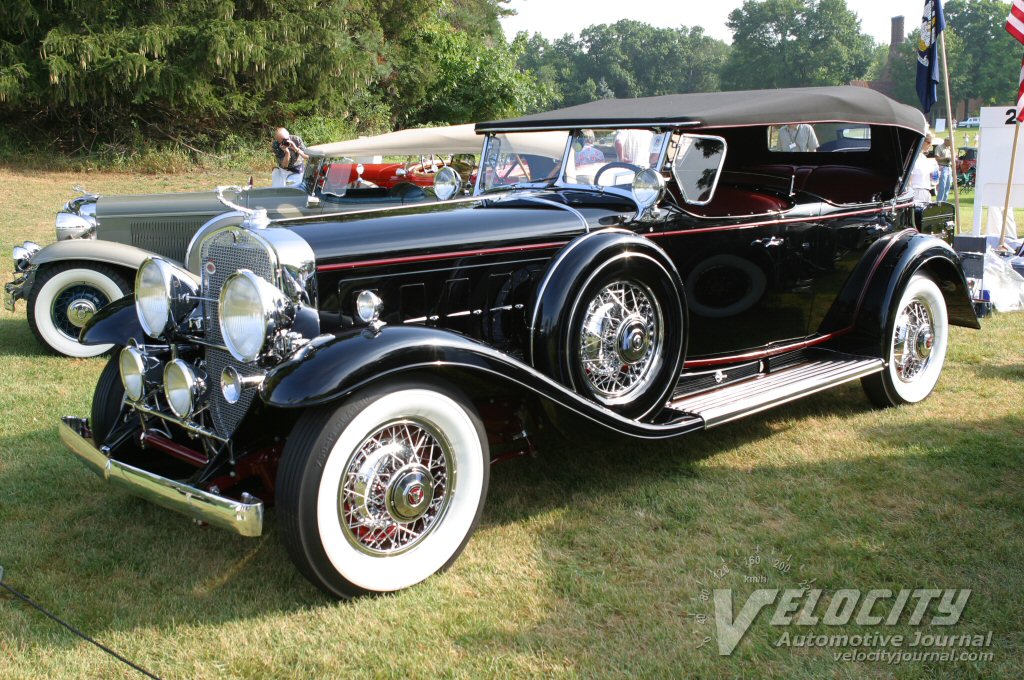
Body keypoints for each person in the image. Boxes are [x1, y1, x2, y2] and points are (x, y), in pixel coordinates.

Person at [910, 133, 941, 227]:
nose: (930, 145)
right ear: (921, 141)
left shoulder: (924, 158)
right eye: (928, 142)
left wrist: (934, 174)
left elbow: (933, 180)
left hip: (926, 192)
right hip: (916, 193)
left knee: (926, 223)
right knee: (917, 222)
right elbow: (909, 179)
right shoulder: (913, 158)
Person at [934, 137, 953, 202]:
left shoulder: (950, 148)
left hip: (949, 167)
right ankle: (939, 202)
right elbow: (937, 158)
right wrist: (946, 159)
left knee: (948, 186)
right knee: (942, 186)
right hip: (942, 167)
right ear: (946, 141)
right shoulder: (939, 147)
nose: (951, 143)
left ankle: (945, 202)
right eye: (950, 141)